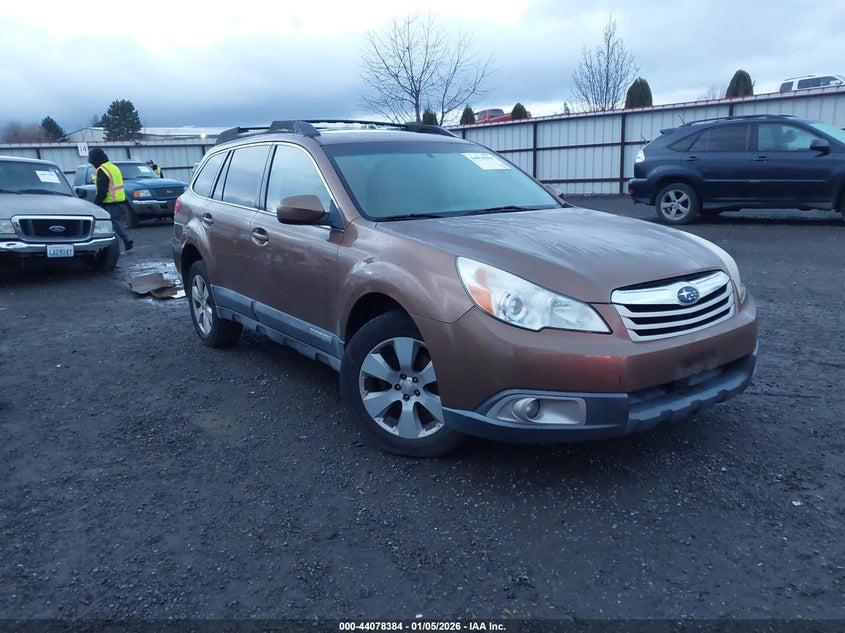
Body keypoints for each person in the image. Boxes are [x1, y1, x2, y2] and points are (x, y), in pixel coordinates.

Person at [88, 148, 133, 251]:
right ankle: (122, 241)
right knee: (115, 221)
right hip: (118, 199)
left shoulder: (102, 170)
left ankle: (121, 242)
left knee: (112, 223)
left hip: (109, 201)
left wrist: (95, 204)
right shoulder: (113, 167)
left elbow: (102, 191)